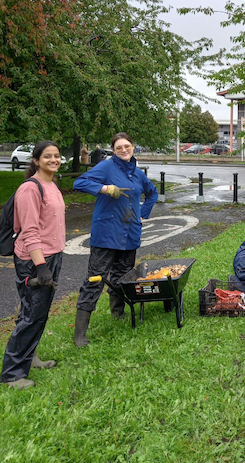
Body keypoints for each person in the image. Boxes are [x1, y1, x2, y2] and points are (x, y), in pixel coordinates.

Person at [73, 132, 158, 346]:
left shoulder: (137, 173)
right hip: (106, 234)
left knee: (122, 276)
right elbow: (80, 182)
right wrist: (105, 188)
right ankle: (80, 334)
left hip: (130, 234)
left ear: (133, 146)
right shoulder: (106, 167)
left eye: (127, 146)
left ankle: (117, 315)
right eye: (119, 147)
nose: (123, 150)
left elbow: (152, 193)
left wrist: (142, 214)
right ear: (113, 149)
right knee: (95, 279)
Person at [1, 141, 65, 390]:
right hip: (35, 260)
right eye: (47, 156)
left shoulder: (52, 184)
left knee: (40, 313)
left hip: (53, 255)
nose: (53, 159)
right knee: (30, 315)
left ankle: (31, 357)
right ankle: (12, 375)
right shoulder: (30, 189)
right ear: (36, 161)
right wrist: (40, 266)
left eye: (57, 156)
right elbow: (29, 231)